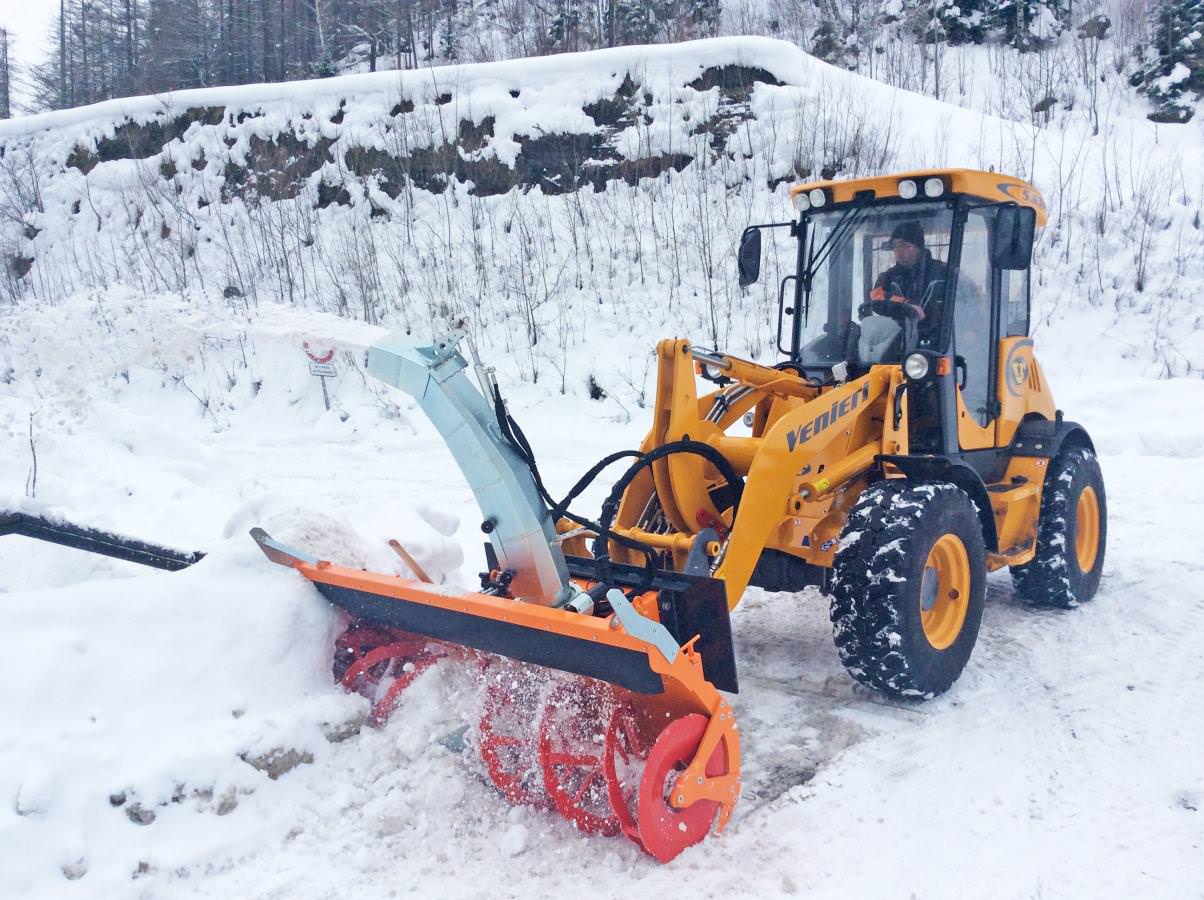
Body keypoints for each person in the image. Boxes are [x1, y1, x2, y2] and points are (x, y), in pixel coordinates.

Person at [864, 221, 949, 345]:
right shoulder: (888, 277)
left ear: (918, 247)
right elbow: (875, 298)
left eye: (904, 246)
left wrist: (969, 331)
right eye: (895, 246)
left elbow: (972, 302)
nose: (899, 251)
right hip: (899, 343)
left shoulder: (944, 274)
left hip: (940, 344)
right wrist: (905, 305)